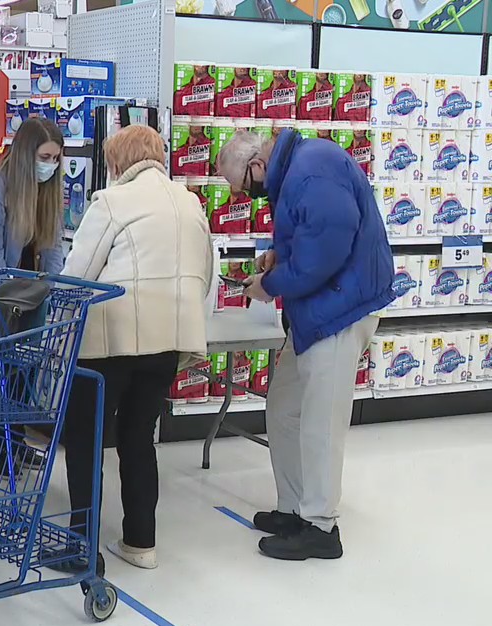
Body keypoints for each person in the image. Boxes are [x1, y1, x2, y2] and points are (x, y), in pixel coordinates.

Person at [218, 129, 392, 561]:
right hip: (315, 312)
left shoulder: (312, 169)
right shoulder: (295, 172)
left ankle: (320, 527)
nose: (250, 197)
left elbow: (325, 253)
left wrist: (270, 284)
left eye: (245, 188)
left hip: (340, 308)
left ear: (256, 166)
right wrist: (278, 257)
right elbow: (307, 236)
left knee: (321, 420)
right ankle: (294, 508)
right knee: (283, 407)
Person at [57, 125, 214, 570]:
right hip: (168, 343)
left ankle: (80, 546)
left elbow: (78, 274)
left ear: (116, 163)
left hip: (112, 341)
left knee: (86, 440)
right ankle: (141, 543)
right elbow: (206, 271)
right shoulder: (189, 202)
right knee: (139, 439)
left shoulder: (112, 202)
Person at [0, 116, 67, 477]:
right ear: (26, 154)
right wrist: (4, 296)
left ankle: (17, 443)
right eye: (45, 157)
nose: (50, 166)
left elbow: (53, 246)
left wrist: (53, 286)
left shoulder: (49, 191)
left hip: (33, 295)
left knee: (24, 373)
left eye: (56, 159)